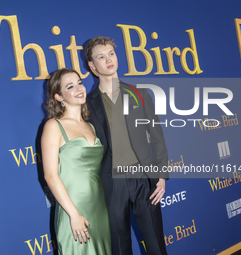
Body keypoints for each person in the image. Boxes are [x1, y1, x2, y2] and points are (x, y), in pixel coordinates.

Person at [85, 36, 169, 255]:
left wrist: (161, 176)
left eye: (111, 53)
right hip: (111, 184)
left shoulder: (140, 94)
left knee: (156, 246)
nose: (108, 60)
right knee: (120, 249)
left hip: (143, 178)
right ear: (93, 67)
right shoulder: (87, 105)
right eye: (101, 57)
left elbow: (157, 135)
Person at [41, 68, 111, 255]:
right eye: (70, 86)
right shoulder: (53, 126)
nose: (79, 89)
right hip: (73, 207)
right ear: (59, 96)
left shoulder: (90, 126)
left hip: (98, 206)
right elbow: (50, 176)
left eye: (79, 83)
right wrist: (73, 214)